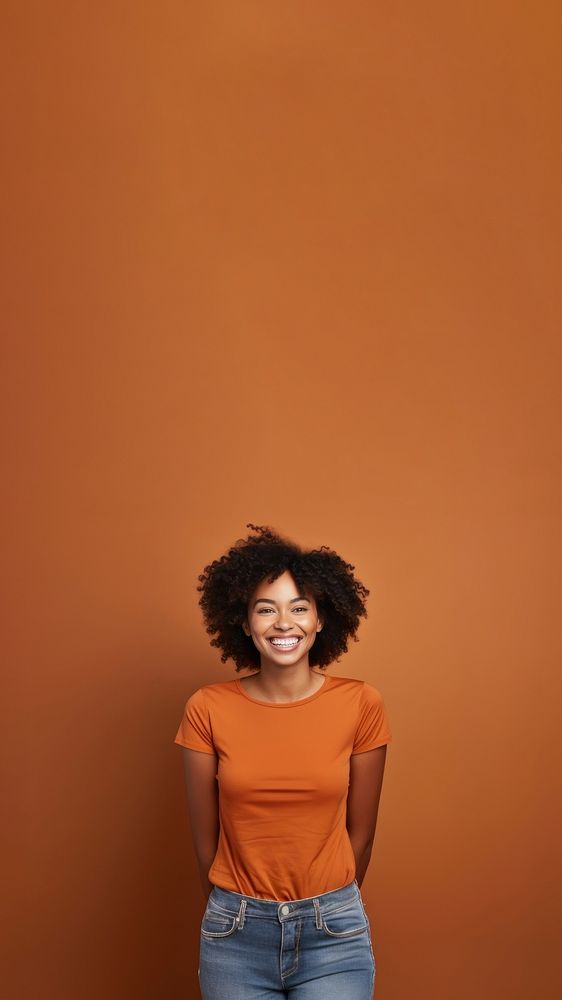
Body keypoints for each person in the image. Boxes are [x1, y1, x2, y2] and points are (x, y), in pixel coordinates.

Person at [174, 523, 392, 999]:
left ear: (320, 620)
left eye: (299, 608)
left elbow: (363, 834)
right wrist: (238, 911)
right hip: (236, 932)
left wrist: (329, 904)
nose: (283, 623)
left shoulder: (360, 703)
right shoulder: (206, 708)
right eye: (266, 609)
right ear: (244, 621)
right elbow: (203, 844)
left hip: (333, 932)